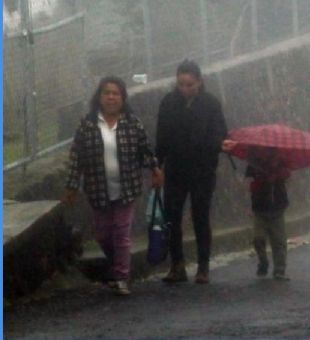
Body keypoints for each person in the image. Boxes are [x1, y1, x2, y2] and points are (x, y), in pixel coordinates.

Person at [62, 76, 163, 295]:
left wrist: (155, 169)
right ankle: (117, 265)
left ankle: (121, 276)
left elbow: (144, 151)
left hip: (126, 188)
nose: (110, 97)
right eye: (106, 93)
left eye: (115, 93)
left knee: (121, 232)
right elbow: (76, 157)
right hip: (98, 189)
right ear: (99, 97)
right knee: (103, 235)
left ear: (122, 98)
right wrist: (71, 186)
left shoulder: (131, 123)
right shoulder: (88, 124)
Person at [156, 60, 227, 284]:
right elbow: (162, 136)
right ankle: (177, 265)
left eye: (189, 84)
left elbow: (219, 134)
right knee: (172, 217)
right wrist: (157, 165)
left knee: (200, 216)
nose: (184, 89)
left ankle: (203, 266)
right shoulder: (168, 103)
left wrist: (210, 147)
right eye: (181, 84)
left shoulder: (211, 104)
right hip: (176, 168)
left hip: (202, 170)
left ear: (199, 82)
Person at [222, 143, 292, 281]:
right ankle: (263, 261)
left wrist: (277, 176)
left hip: (277, 207)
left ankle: (279, 269)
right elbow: (249, 182)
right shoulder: (254, 163)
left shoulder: (281, 162)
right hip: (260, 208)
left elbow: (287, 177)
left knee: (279, 241)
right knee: (258, 239)